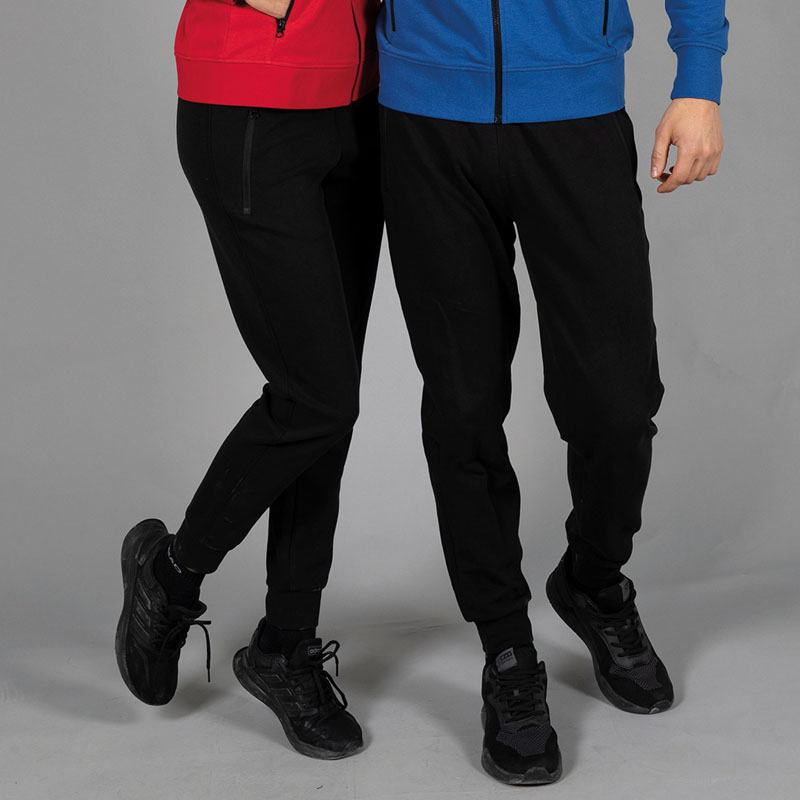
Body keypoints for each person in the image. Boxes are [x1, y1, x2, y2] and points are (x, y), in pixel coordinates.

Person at [377, 0, 728, 785]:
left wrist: (699, 76)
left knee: (617, 404)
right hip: (425, 119)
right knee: (462, 406)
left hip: (575, 111)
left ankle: (594, 582)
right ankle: (507, 648)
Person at [115, 0, 383, 760]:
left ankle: (287, 645)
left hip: (363, 103)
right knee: (317, 398)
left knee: (328, 402)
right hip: (251, 105)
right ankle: (172, 572)